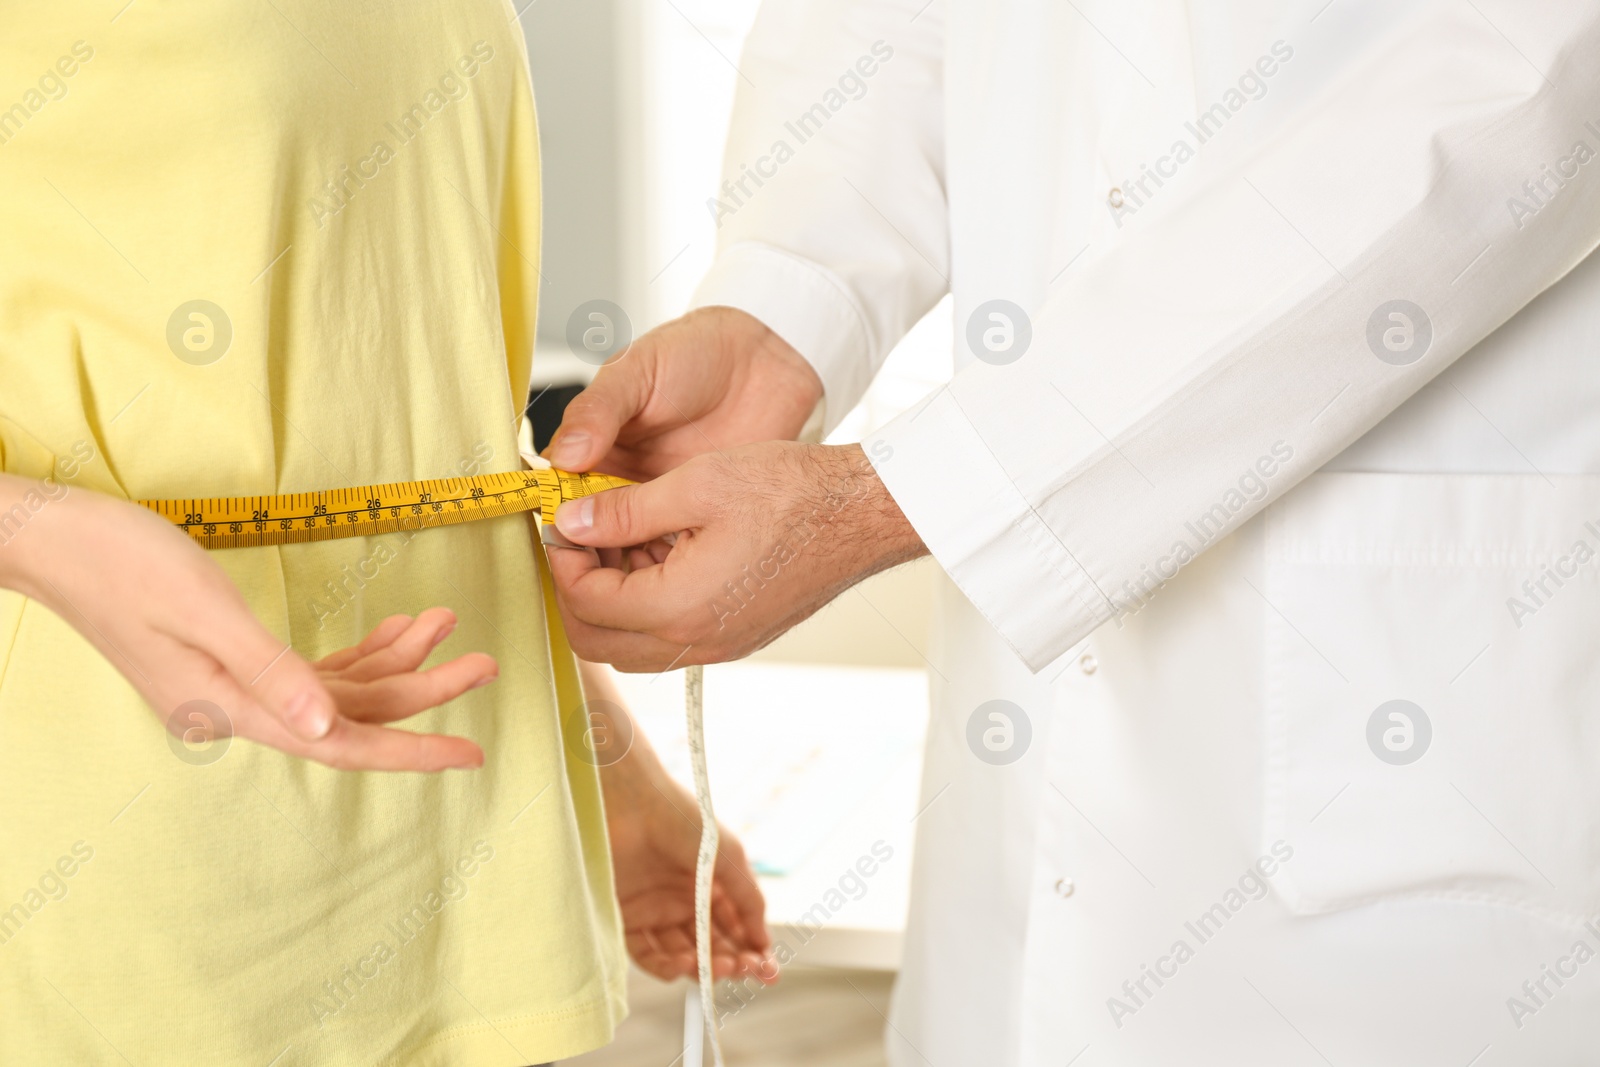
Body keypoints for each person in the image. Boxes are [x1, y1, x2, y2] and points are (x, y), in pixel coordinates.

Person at [543, 1, 1600, 1062]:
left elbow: (1520, 82)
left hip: (1406, 774)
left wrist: (918, 491)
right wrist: (786, 307)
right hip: (1000, 851)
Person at [0, 6, 770, 1065]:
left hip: (470, 854)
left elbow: (405, 398)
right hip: (139, 875)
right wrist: (31, 531)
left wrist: (610, 760)